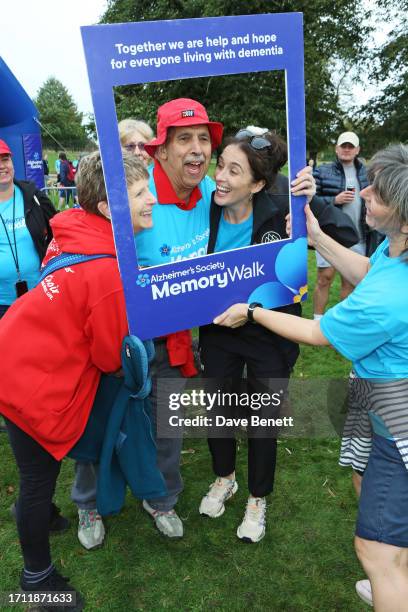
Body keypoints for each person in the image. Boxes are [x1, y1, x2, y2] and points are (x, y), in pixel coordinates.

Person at [213, 144, 408, 609]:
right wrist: (317, 236)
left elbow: (318, 331)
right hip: (375, 397)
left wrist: (254, 312)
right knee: (366, 480)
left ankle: (392, 577)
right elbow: (365, 269)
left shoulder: (389, 298)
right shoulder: (394, 252)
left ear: (402, 215)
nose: (362, 192)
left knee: (375, 550)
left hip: (395, 411)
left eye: (376, 193)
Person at [0, 150, 155, 609]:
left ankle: (39, 515)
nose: (152, 200)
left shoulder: (73, 231)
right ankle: (36, 579)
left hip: (14, 357)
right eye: (141, 192)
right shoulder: (105, 269)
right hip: (30, 382)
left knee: (33, 477)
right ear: (109, 209)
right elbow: (110, 357)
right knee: (35, 479)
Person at [71, 98, 223, 546]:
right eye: (184, 140)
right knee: (103, 424)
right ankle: (88, 506)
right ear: (161, 149)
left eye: (203, 140)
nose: (196, 150)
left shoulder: (211, 191)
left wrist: (295, 200)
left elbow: (251, 205)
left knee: (166, 428)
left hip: (174, 341)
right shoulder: (136, 193)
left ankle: (161, 499)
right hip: (117, 343)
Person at [198, 130, 315, 542]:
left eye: (234, 170)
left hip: (269, 332)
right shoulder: (203, 211)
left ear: (259, 184)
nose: (221, 178)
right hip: (218, 331)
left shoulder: (284, 212)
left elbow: (333, 235)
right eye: (221, 165)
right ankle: (224, 477)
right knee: (219, 409)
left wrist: (305, 211)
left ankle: (257, 498)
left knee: (263, 419)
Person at [312, 131, 377, 319]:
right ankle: (317, 320)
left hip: (358, 236)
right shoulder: (322, 171)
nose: (347, 149)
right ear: (336, 148)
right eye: (343, 146)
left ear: (357, 150)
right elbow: (310, 200)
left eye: (351, 146)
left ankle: (343, 322)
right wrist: (334, 199)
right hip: (329, 235)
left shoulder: (367, 172)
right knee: (324, 279)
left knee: (350, 282)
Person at [0, 139, 56, 319]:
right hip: (2, 305)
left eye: (5, 159)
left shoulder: (34, 197)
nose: (2, 166)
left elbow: (58, 232)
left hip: (40, 295)